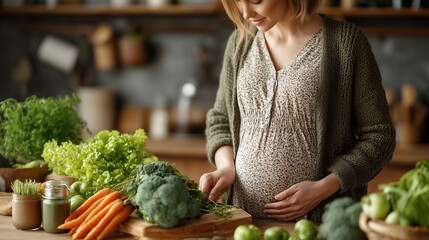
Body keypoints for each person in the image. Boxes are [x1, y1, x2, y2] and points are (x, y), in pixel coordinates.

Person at [198, 0, 396, 222]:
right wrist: (226, 167)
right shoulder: (239, 43)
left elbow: (380, 137)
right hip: (242, 222)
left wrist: (324, 188)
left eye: (255, 0)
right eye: (237, 1)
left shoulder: (346, 43)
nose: (245, 13)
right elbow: (220, 120)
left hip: (319, 224)